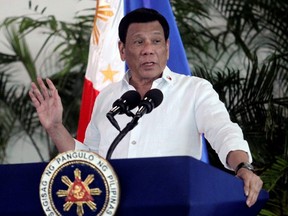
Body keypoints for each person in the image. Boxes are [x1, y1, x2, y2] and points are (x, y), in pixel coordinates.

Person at [29, 8, 263, 207]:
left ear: (167, 47)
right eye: (139, 41)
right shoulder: (107, 98)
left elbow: (223, 131)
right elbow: (91, 162)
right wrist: (56, 127)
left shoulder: (194, 90)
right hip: (116, 207)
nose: (148, 49)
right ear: (122, 50)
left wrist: (243, 166)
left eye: (156, 41)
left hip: (173, 205)